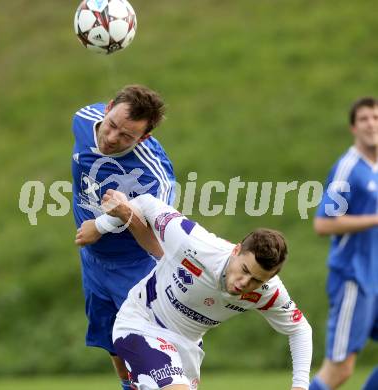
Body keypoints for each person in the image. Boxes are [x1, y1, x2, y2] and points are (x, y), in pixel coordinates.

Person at [77, 189, 313, 390]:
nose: (244, 283)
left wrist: (300, 385)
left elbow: (300, 329)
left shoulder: (268, 292)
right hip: (142, 323)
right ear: (236, 250)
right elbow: (146, 202)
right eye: (244, 270)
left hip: (186, 349)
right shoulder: (194, 243)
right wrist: (101, 225)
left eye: (256, 281)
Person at [71, 85, 175, 390]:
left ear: (143, 138)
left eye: (127, 136)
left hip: (136, 268)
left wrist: (102, 225)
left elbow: (158, 243)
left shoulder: (156, 175)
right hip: (93, 262)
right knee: (115, 345)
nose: (112, 138)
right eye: (112, 125)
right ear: (108, 108)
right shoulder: (83, 119)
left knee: (149, 356)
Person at [309, 97, 378, 390]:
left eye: (375, 117)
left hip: (374, 277)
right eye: (363, 119)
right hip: (354, 277)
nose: (371, 123)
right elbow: (323, 223)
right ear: (353, 127)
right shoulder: (348, 168)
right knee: (340, 369)